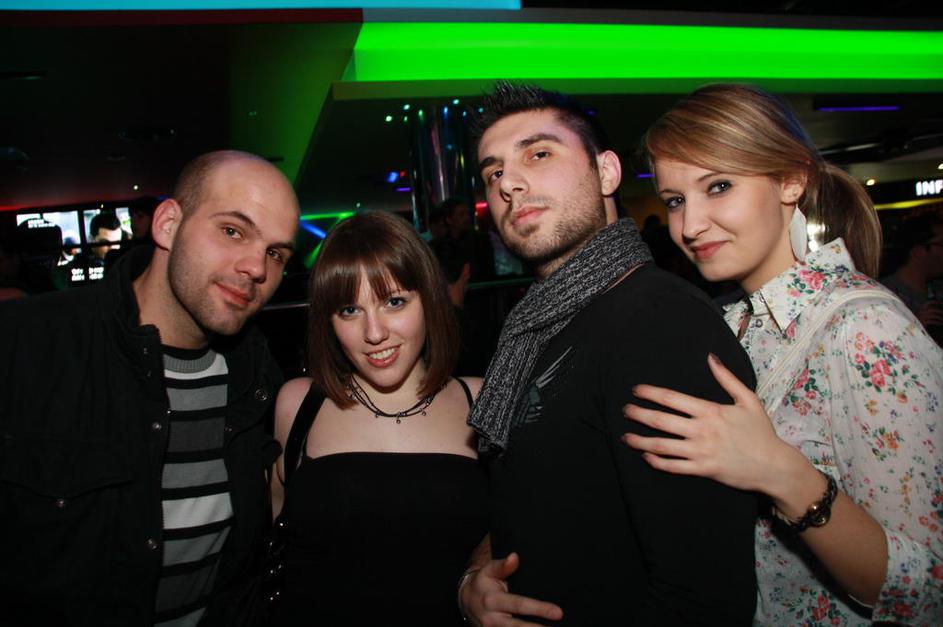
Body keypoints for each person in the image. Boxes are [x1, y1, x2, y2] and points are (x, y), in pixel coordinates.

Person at [623, 83, 943, 625]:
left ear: (792, 179)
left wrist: (783, 474)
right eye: (675, 200)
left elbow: (930, 591)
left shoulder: (865, 328)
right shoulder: (720, 320)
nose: (690, 226)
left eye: (718, 186)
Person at [459, 81, 759, 626]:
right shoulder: (531, 328)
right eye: (493, 173)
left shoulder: (660, 322)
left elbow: (703, 596)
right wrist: (474, 582)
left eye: (538, 154)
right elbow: (524, 494)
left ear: (607, 173)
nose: (509, 184)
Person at [0, 150, 300, 625]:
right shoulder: (26, 343)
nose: (257, 268)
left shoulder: (260, 381)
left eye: (276, 253)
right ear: (167, 225)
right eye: (232, 231)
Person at [269, 210, 488, 626]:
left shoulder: (480, 401)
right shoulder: (296, 405)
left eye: (394, 302)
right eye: (349, 310)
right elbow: (265, 533)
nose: (374, 333)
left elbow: (522, 521)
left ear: (429, 298)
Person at [881, 211, 943, 344]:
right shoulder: (885, 296)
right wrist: (913, 329)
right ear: (918, 251)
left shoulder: (937, 290)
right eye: (941, 244)